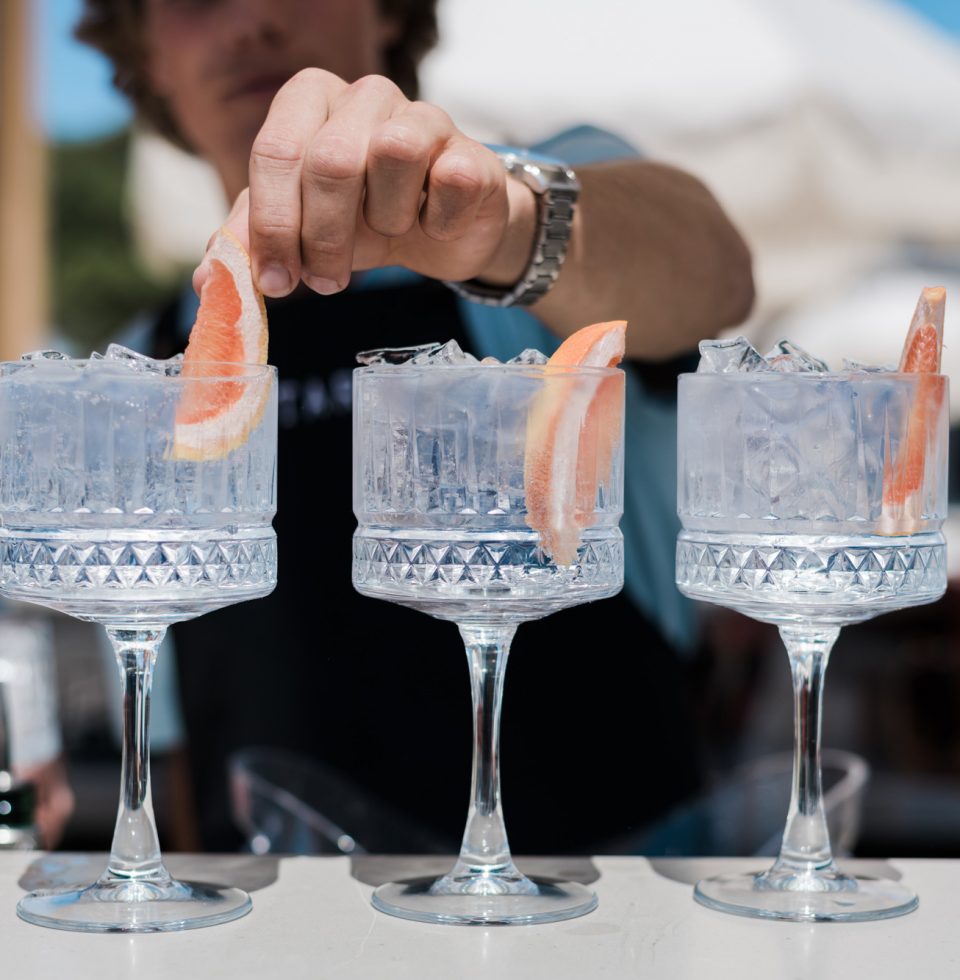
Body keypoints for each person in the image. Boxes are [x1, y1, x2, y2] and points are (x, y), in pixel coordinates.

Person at [76, 0, 755, 853]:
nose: (249, 19)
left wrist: (500, 227)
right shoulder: (141, 367)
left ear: (390, 13)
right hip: (267, 932)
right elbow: (177, 736)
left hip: (594, 916)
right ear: (147, 52)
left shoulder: (532, 220)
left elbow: (712, 272)